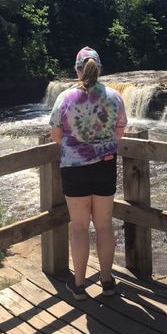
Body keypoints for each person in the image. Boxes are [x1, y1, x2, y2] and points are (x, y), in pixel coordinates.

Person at [48, 46, 128, 299]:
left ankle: (79, 285)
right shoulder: (114, 96)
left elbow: (56, 135)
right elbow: (119, 131)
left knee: (79, 227)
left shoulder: (65, 98)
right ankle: (107, 282)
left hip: (74, 168)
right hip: (105, 165)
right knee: (104, 226)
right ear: (99, 69)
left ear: (77, 69)